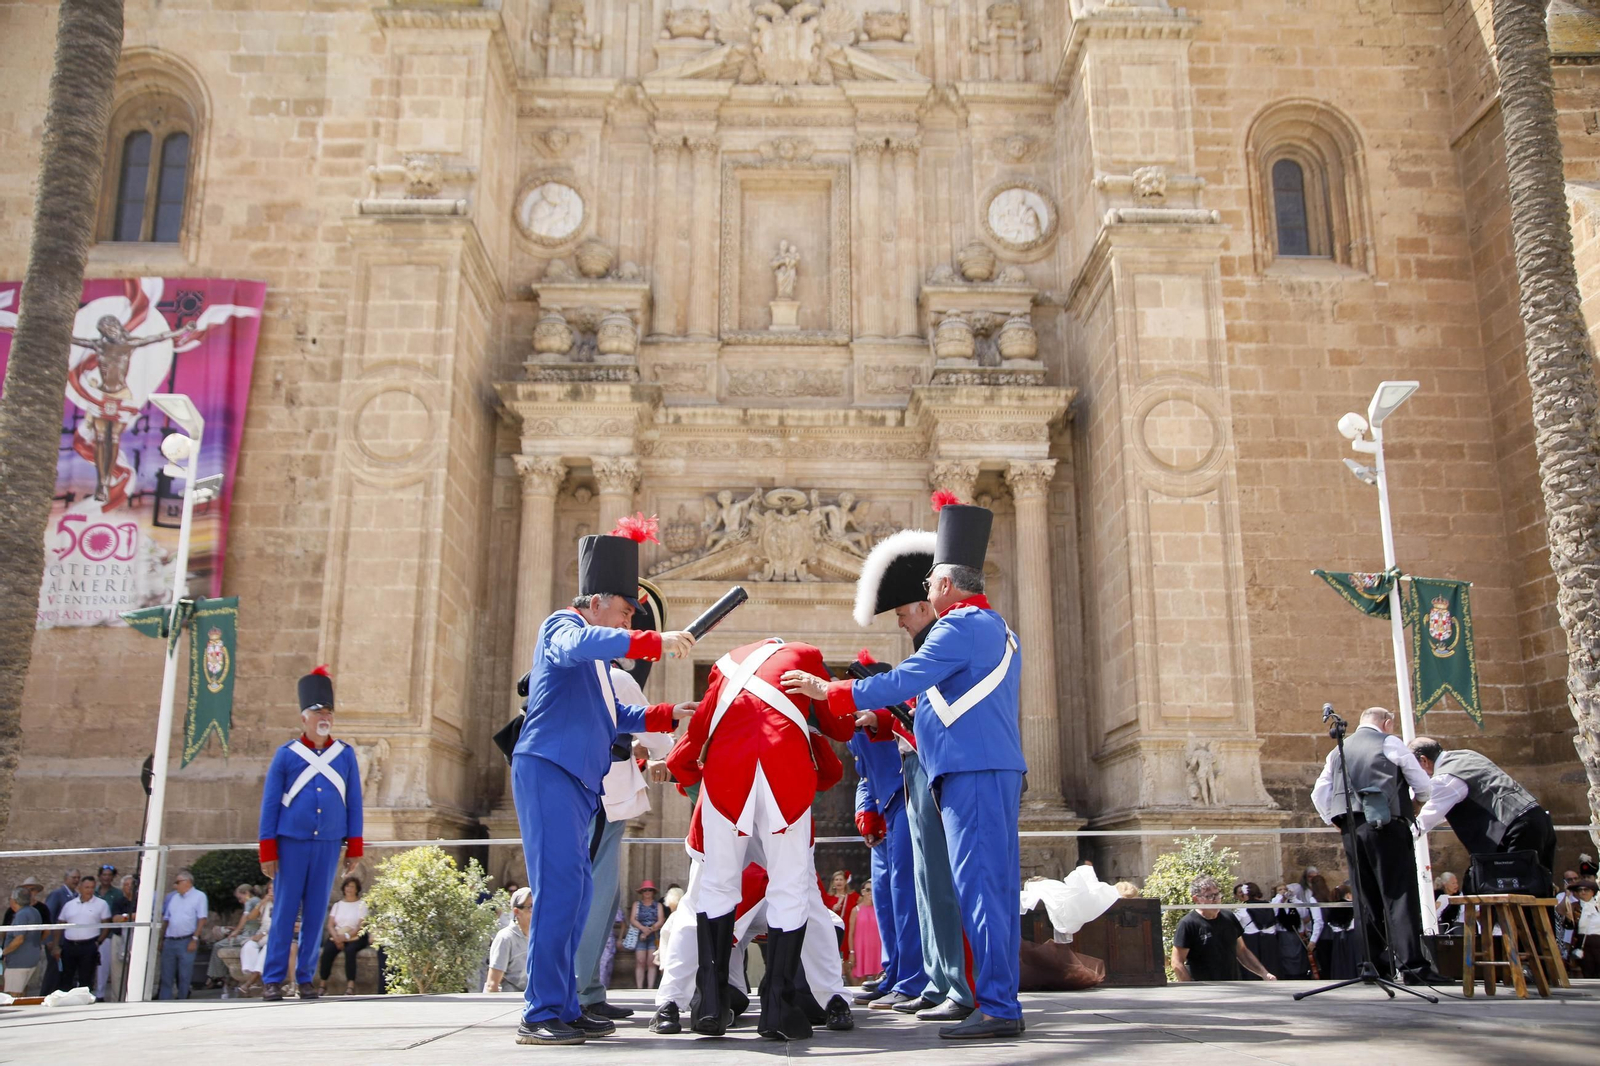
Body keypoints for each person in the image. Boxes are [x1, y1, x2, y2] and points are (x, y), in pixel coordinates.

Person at [785, 494, 1025, 1040]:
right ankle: (996, 999)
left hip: (972, 771)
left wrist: (831, 689)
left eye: (929, 582)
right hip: (977, 767)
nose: (926, 590)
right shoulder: (988, 625)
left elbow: (904, 680)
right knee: (986, 888)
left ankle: (998, 1006)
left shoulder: (959, 626)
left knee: (980, 889)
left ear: (945, 583)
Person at [511, 517, 693, 1046]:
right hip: (550, 768)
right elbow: (574, 645)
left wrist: (667, 713)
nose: (629, 621)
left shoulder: (598, 661)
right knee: (558, 892)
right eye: (625, 611)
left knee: (577, 894)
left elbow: (615, 716)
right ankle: (540, 1012)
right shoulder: (562, 626)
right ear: (596, 603)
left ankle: (565, 1005)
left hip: (577, 779)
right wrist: (652, 641)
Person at [666, 635, 855, 1041]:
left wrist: (690, 776)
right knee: (790, 889)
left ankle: (709, 1005)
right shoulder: (806, 655)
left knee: (715, 888)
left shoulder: (723, 663)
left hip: (727, 779)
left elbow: (697, 732)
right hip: (782, 774)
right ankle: (778, 1010)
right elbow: (840, 726)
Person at [841, 525, 975, 1023]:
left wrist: (851, 698)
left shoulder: (948, 640)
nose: (900, 622)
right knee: (912, 887)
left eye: (902, 613)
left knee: (930, 885)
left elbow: (924, 708)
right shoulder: (930, 646)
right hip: (906, 786)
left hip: (931, 777)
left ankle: (939, 981)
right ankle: (921, 976)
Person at [574, 651, 674, 1022]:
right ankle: (578, 993)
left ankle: (588, 992)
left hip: (578, 792)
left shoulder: (575, 676)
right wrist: (670, 752)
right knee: (595, 893)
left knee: (602, 893)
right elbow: (656, 735)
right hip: (601, 795)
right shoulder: (617, 679)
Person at [257, 664, 364, 1001]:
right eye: (318, 712)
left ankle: (305, 978)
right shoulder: (286, 755)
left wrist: (354, 846)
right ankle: (273, 979)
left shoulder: (344, 755)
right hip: (291, 843)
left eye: (328, 712)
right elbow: (270, 804)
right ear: (304, 717)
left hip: (328, 843)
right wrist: (267, 850)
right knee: (284, 912)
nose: (324, 717)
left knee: (316, 914)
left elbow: (354, 802)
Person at [1311, 706, 1438, 984]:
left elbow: (1319, 792)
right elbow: (1423, 784)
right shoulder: (1389, 742)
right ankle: (1412, 967)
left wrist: (1333, 820)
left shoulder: (1338, 751)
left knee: (1364, 897)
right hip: (1387, 824)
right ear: (1387, 723)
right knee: (1399, 895)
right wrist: (1416, 804)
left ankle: (1372, 966)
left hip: (1352, 828)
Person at [1408, 737, 1558, 883]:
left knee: (1514, 890)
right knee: (1541, 887)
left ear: (1424, 761)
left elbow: (1425, 820)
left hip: (1516, 829)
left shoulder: (1444, 778)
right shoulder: (1468, 755)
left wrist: (1401, 838)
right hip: (1537, 817)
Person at [1172, 876, 1276, 982]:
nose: (1215, 900)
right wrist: (1192, 987)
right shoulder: (1188, 924)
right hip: (1205, 988)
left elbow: (1242, 951)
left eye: (1217, 894)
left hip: (1234, 985)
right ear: (1196, 899)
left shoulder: (1229, 917)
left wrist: (1264, 973)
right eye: (1209, 896)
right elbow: (1177, 962)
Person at [56, 872, 112, 994]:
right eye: (87, 887)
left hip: (89, 945)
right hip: (69, 945)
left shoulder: (101, 904)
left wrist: (98, 942)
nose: (89, 890)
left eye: (92, 887)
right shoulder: (69, 905)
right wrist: (56, 945)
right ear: (80, 888)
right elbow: (60, 924)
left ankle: (84, 1002)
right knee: (66, 977)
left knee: (86, 978)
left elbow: (106, 925)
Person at [156, 869, 207, 999]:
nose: (175, 886)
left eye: (177, 882)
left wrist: (195, 939)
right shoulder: (174, 898)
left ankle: (182, 1000)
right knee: (166, 974)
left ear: (187, 882)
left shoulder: (199, 896)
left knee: (185, 975)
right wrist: (161, 939)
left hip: (187, 940)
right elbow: (167, 919)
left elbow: (202, 919)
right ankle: (164, 1001)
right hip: (170, 940)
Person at [205, 884, 262, 995]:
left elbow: (245, 918)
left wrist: (236, 931)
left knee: (218, 946)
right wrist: (235, 929)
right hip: (250, 933)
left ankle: (215, 976)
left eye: (240, 898)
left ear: (247, 893)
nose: (240, 901)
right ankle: (220, 976)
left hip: (248, 935)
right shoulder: (257, 900)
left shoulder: (251, 901)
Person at [317, 877, 369, 995]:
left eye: (352, 886)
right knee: (327, 951)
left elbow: (360, 926)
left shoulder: (362, 904)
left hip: (355, 936)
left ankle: (350, 986)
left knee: (350, 951)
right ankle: (322, 985)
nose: (349, 889)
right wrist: (336, 938)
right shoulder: (337, 905)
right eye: (347, 886)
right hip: (338, 935)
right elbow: (330, 925)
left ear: (357, 889)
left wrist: (346, 937)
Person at [485, 887, 532, 993]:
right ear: (516, 912)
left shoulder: (540, 937)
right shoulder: (505, 938)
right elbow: (492, 984)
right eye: (531, 907)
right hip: (511, 1000)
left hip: (534, 1000)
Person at [3, 885, 46, 995]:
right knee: (22, 992)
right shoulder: (34, 911)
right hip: (31, 959)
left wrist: (3, 952)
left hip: (18, 962)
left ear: (14, 900)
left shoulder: (21, 915)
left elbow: (19, 939)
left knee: (13, 995)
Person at [627, 882, 665, 989]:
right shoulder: (637, 904)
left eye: (649, 890)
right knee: (640, 961)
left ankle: (650, 987)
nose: (647, 892)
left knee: (651, 962)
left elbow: (661, 920)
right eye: (645, 890)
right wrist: (643, 929)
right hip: (640, 934)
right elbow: (632, 919)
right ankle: (639, 987)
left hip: (654, 935)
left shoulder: (658, 905)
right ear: (641, 892)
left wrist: (649, 930)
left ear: (653, 892)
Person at [238, 883, 274, 995]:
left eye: (273, 889)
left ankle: (250, 982)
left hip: (275, 934)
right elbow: (251, 917)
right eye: (269, 889)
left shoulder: (283, 903)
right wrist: (262, 902)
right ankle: (256, 981)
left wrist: (264, 934)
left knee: (267, 949)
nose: (271, 891)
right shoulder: (266, 903)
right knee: (249, 946)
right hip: (262, 934)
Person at [822, 869, 859, 971]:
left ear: (845, 882)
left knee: (849, 966)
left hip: (849, 933)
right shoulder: (828, 898)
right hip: (835, 932)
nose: (839, 882)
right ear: (833, 882)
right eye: (836, 879)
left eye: (841, 879)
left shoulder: (853, 896)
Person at [848, 882, 882, 981]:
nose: (870, 892)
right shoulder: (856, 910)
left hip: (877, 948)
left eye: (873, 890)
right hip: (861, 949)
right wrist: (852, 952)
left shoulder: (879, 910)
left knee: (878, 978)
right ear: (863, 892)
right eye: (868, 890)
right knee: (861, 979)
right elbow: (851, 933)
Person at [1569, 878, 1600, 979]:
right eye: (1580, 890)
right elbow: (1564, 918)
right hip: (1583, 942)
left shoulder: (1598, 906)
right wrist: (1566, 896)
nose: (1583, 892)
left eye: (1586, 890)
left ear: (1592, 892)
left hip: (1598, 941)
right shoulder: (1574, 906)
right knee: (1588, 970)